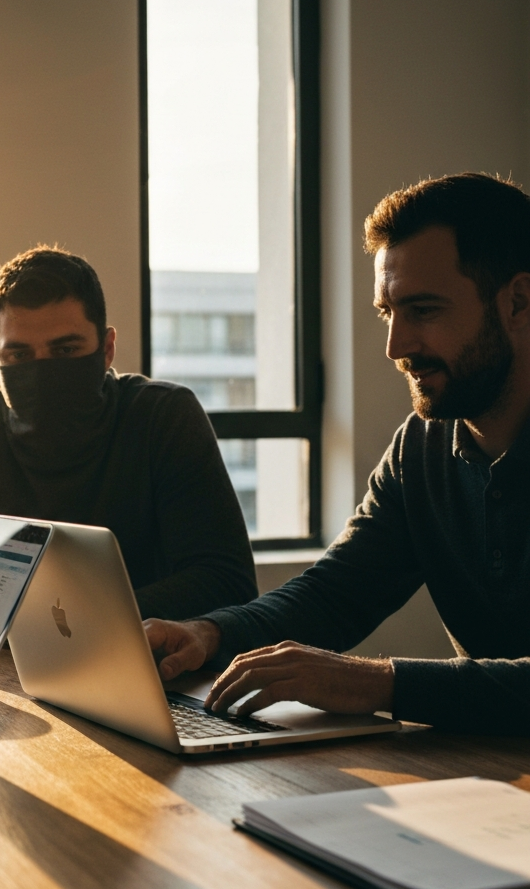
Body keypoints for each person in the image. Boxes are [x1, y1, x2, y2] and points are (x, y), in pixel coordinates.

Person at [146, 173, 530, 735]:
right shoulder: (419, 450)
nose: (396, 347)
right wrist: (211, 634)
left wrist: (380, 683)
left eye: (423, 310)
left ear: (519, 301)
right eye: (388, 312)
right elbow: (334, 595)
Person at [0, 246, 257, 622]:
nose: (44, 373)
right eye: (19, 357)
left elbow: (227, 582)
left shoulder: (162, 417)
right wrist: (40, 626)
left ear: (107, 349)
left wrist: (54, 620)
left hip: (149, 667)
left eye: (65, 350)